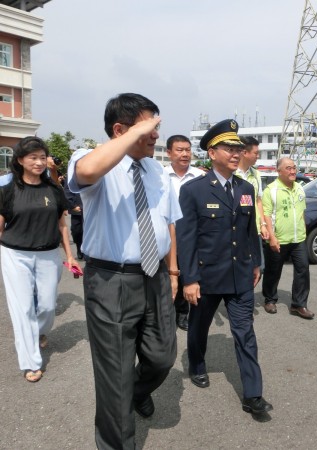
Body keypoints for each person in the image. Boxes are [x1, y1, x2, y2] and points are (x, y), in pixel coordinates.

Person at [67, 93, 181, 450]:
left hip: (155, 277)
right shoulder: (91, 161)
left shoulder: (156, 170)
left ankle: (133, 390)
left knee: (163, 357)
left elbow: (168, 224)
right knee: (114, 377)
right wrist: (129, 138)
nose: (155, 136)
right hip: (110, 280)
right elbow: (85, 173)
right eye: (149, 127)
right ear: (120, 130)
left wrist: (173, 272)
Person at [177, 118, 272, 415]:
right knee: (199, 326)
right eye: (229, 148)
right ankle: (197, 362)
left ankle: (253, 395)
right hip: (206, 276)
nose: (235, 153)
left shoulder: (245, 187)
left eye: (238, 148)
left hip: (240, 274)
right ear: (212, 152)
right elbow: (186, 239)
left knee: (245, 332)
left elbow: (249, 230)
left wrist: (256, 262)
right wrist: (189, 279)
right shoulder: (194, 190)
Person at [0, 136, 81, 383]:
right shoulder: (8, 191)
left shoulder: (54, 190)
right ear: (21, 160)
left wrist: (69, 255)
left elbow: (62, 225)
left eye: (41, 157)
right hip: (15, 254)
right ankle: (30, 362)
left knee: (46, 305)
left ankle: (40, 332)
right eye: (32, 157)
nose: (38, 162)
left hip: (48, 254)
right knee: (23, 308)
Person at [261, 157, 314, 318]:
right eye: (288, 168)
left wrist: (303, 228)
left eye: (294, 168)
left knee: (303, 269)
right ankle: (270, 299)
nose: (293, 171)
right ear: (279, 171)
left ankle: (299, 304)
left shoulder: (299, 188)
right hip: (278, 238)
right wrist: (272, 237)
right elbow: (266, 215)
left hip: (298, 238)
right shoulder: (271, 190)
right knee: (273, 270)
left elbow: (302, 211)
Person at [164, 134, 205, 331]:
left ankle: (182, 313)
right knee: (166, 275)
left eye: (188, 150)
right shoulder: (160, 176)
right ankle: (164, 312)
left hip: (191, 236)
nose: (185, 154)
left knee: (185, 274)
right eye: (179, 150)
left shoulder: (200, 176)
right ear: (169, 153)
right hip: (165, 236)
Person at [236, 136, 269, 275]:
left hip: (254, 229)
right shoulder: (232, 173)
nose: (258, 156)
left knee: (258, 267)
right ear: (244, 152)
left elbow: (258, 201)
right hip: (237, 228)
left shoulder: (256, 174)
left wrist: (263, 224)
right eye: (255, 153)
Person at [64, 177, 84, 260]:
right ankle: (79, 247)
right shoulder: (72, 174)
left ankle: (89, 252)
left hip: (90, 207)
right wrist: (72, 206)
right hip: (77, 208)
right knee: (76, 231)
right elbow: (67, 190)